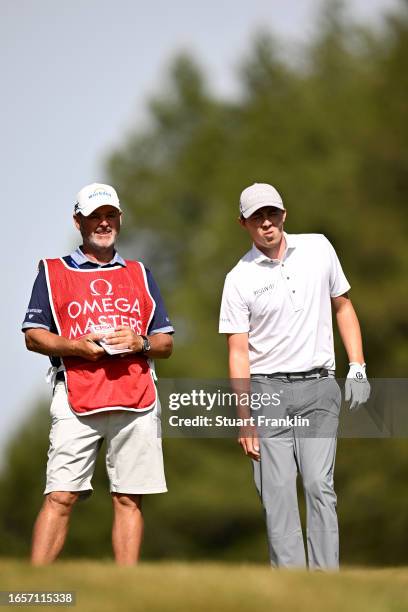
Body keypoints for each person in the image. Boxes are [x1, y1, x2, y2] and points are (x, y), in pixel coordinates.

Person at [219, 182, 370, 570]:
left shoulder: (319, 247)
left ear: (283, 214)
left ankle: (325, 579)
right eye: (257, 218)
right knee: (278, 491)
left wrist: (357, 365)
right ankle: (291, 583)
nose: (266, 224)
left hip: (319, 385)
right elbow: (238, 352)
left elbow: (343, 306)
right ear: (244, 223)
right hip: (267, 390)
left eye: (272, 214)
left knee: (319, 485)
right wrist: (244, 418)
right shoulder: (239, 278)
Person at [22, 182, 173, 566]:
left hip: (136, 396)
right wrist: (76, 346)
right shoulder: (52, 272)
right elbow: (34, 337)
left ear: (119, 220)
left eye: (110, 216)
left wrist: (139, 342)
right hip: (76, 395)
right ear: (79, 222)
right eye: (94, 217)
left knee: (128, 498)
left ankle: (126, 590)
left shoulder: (140, 273)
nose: (103, 223)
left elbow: (165, 342)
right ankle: (33, 588)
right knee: (61, 495)